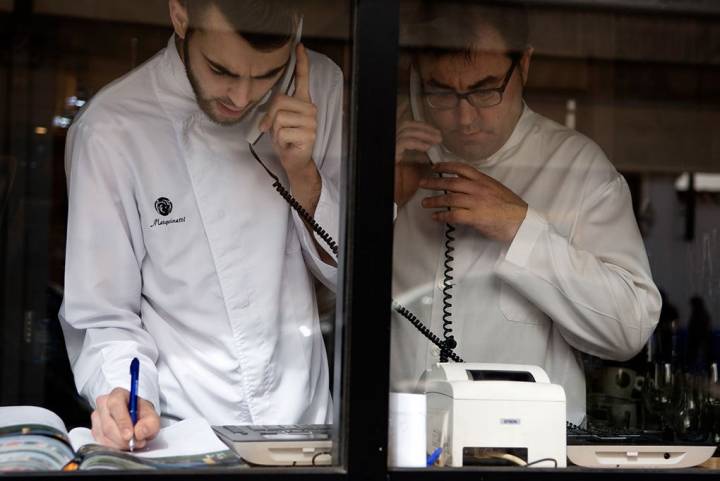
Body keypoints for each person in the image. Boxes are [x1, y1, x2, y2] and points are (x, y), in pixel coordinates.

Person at [59, 0, 342, 450]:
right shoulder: (113, 128)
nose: (242, 97)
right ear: (180, 16)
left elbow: (351, 277)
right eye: (221, 70)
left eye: (267, 75)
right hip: (178, 436)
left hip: (305, 428)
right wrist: (124, 397)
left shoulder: (319, 90)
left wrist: (303, 173)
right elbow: (104, 316)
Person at [391, 4, 661, 424]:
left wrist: (519, 227)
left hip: (526, 452)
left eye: (484, 91)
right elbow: (322, 306)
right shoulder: (397, 163)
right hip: (398, 445)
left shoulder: (577, 168)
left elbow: (628, 329)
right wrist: (384, 200)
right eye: (441, 92)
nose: (464, 118)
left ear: (525, 65)